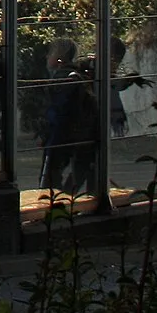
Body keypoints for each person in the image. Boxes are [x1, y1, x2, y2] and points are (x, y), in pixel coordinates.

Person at [39, 37, 99, 196]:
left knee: (50, 177)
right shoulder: (78, 76)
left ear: (59, 57)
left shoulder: (63, 79)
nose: (47, 57)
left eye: (50, 53)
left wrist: (46, 133)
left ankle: (59, 202)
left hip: (62, 137)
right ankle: (67, 198)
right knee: (77, 171)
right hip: (78, 135)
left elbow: (57, 112)